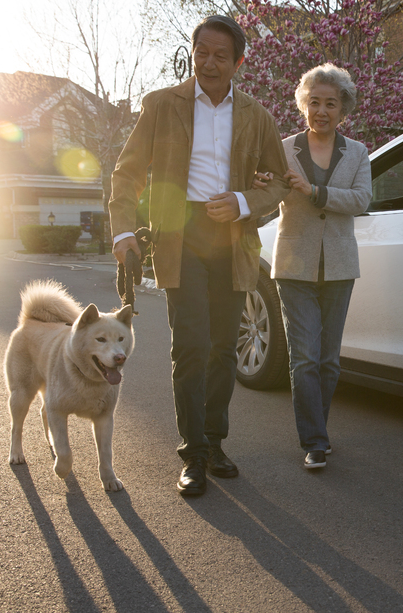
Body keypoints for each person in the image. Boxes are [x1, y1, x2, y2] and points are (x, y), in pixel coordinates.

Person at [108, 15, 289, 496]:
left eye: (220, 56)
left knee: (223, 348)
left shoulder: (257, 115)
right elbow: (127, 173)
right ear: (192, 53)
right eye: (201, 52)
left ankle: (214, 442)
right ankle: (192, 453)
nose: (208, 63)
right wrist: (122, 231)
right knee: (190, 345)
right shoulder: (161, 105)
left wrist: (244, 201)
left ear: (239, 62)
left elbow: (279, 181)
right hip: (180, 235)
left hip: (232, 237)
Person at [263, 63, 372, 469]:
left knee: (328, 361)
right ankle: (314, 441)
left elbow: (361, 200)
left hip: (339, 266)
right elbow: (269, 192)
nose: (321, 111)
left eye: (330, 103)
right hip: (294, 265)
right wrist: (261, 185)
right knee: (304, 357)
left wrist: (314, 191)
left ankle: (318, 432)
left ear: (343, 108)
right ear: (303, 105)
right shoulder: (283, 148)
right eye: (314, 102)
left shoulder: (357, 152)